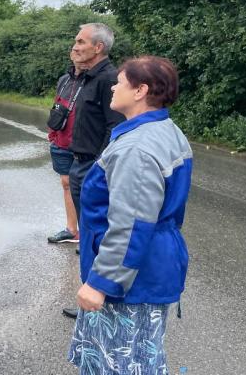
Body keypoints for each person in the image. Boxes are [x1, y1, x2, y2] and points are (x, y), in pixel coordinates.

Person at [68, 56, 191, 374]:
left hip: (131, 278)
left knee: (118, 363)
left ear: (141, 91)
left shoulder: (136, 148)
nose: (113, 86)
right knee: (141, 357)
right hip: (149, 265)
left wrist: (101, 282)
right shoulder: (163, 128)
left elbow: (130, 225)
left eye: (120, 81)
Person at [62, 23, 125, 319]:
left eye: (80, 42)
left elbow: (115, 129)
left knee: (96, 235)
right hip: (80, 163)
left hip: (93, 167)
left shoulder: (108, 79)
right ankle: (91, 297)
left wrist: (100, 169)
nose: (75, 46)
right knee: (88, 237)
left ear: (98, 47)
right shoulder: (86, 77)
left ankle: (98, 300)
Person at [46, 58, 82, 245]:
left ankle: (90, 234)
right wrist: (53, 132)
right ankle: (71, 230)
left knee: (86, 186)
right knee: (66, 183)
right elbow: (57, 107)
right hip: (62, 139)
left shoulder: (97, 80)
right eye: (74, 49)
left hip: (85, 143)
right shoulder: (64, 80)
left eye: (80, 46)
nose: (76, 52)